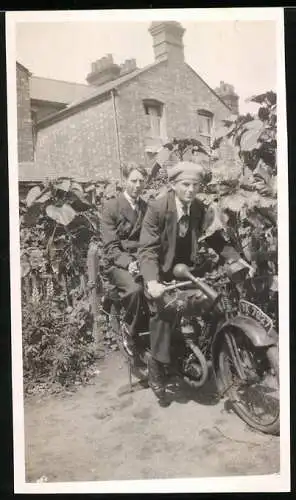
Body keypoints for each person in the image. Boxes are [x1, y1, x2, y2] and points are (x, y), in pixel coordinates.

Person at [138, 161, 253, 403]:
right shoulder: (158, 208)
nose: (190, 190)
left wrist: (236, 259)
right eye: (185, 184)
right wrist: (152, 281)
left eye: (195, 185)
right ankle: (156, 364)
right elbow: (147, 250)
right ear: (173, 184)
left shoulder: (199, 208)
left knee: (214, 302)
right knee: (164, 311)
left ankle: (206, 350)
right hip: (159, 272)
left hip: (185, 270)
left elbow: (215, 240)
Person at [100, 163, 149, 356]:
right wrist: (129, 263)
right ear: (124, 181)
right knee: (136, 290)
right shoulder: (111, 207)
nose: (138, 185)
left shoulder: (146, 207)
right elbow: (111, 247)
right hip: (118, 263)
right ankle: (131, 330)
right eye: (133, 180)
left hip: (143, 259)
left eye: (141, 181)